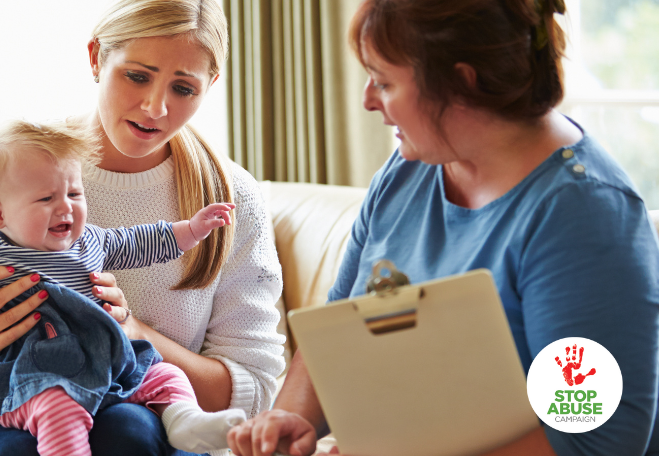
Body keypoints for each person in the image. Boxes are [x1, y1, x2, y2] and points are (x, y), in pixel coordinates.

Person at [226, 0, 659, 455]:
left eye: (385, 81)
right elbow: (335, 336)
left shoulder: (582, 215)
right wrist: (288, 420)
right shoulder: (406, 172)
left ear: (462, 81)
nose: (368, 100)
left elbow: (594, 439)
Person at [0, 1, 285, 455]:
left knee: (127, 429)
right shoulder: (2, 171)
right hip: (23, 417)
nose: (156, 107)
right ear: (96, 57)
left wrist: (130, 329)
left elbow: (253, 391)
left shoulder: (231, 197)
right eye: (137, 76)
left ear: (210, 86)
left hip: (151, 423)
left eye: (183, 88)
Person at [0, 119, 244, 456]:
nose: (65, 208)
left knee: (164, 374)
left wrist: (192, 230)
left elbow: (141, 241)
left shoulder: (90, 242)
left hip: (105, 362)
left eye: (74, 193)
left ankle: (185, 423)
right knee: (58, 407)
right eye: (46, 199)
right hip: (32, 378)